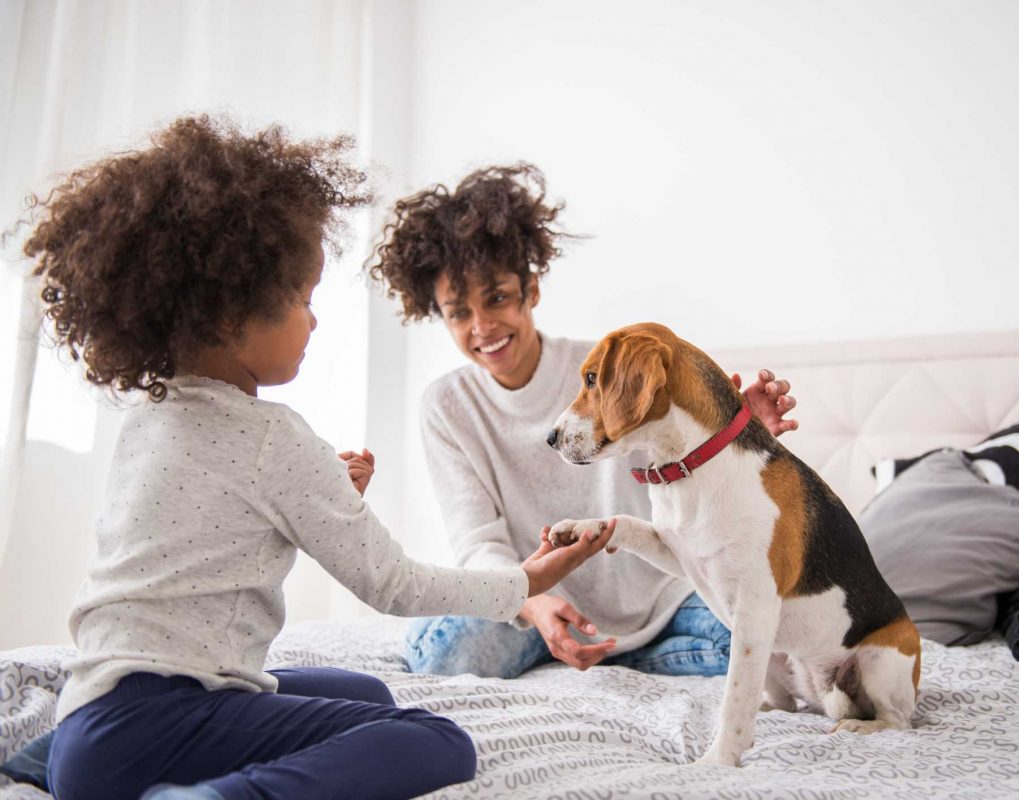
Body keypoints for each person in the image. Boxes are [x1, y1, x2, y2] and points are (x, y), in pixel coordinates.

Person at [17, 118, 612, 800]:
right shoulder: (275, 437)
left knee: (361, 691)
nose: (315, 321)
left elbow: (215, 533)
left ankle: (46, 759)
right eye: (304, 299)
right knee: (433, 740)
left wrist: (324, 496)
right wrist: (526, 583)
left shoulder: (151, 419)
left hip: (92, 724)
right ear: (227, 317)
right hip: (160, 722)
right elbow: (397, 587)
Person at [368, 163, 797, 679]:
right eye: (459, 312)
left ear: (530, 291)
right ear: (439, 315)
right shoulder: (446, 406)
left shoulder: (606, 367)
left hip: (658, 597)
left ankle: (618, 653)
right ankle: (603, 651)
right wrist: (530, 602)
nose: (482, 326)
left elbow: (678, 458)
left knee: (770, 646)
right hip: (532, 597)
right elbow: (478, 542)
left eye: (498, 298)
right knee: (446, 653)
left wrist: (733, 435)